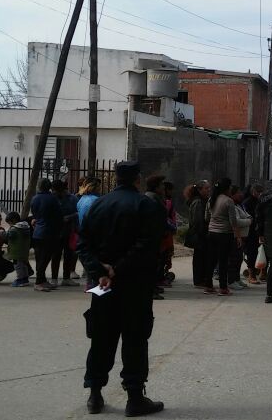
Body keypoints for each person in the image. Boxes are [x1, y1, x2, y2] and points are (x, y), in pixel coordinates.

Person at [77, 160, 165, 417]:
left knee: (101, 338)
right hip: (134, 284)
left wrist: (100, 270)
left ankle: (95, 394)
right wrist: (119, 268)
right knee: (135, 339)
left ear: (115, 179)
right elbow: (147, 245)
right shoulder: (145, 205)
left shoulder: (98, 205)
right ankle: (134, 396)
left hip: (103, 286)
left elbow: (83, 243)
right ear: (137, 178)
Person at [205, 178, 242, 296]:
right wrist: (238, 237)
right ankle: (223, 288)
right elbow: (233, 221)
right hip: (224, 234)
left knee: (211, 260)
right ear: (227, 188)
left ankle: (208, 286)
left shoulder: (211, 199)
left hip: (211, 233)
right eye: (230, 187)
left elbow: (206, 217)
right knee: (223, 262)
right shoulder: (228, 201)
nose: (231, 189)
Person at [144, 175, 175, 300]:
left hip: (158, 237)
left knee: (157, 263)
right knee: (152, 265)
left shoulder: (155, 198)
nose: (163, 187)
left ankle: (154, 285)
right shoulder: (151, 199)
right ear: (156, 187)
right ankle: (150, 290)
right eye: (161, 185)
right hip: (153, 237)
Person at [30, 178, 63, 292]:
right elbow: (59, 216)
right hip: (49, 232)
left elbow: (34, 213)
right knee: (45, 258)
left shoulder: (34, 198)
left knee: (40, 258)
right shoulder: (52, 199)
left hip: (37, 232)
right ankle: (39, 282)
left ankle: (42, 280)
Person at [183, 181, 212, 290]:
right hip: (200, 235)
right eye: (206, 188)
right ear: (199, 190)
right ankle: (199, 280)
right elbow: (198, 221)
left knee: (202, 258)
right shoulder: (198, 202)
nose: (208, 190)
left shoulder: (202, 201)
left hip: (202, 234)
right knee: (200, 258)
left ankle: (201, 279)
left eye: (209, 188)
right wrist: (204, 233)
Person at [52, 180, 80, 287]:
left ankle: (66, 277)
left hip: (69, 231)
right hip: (56, 232)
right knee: (56, 255)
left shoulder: (72, 199)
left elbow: (78, 212)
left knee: (69, 255)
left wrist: (69, 217)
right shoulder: (52, 198)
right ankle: (54, 278)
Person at [228, 185, 253, 290]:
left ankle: (237, 279)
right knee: (234, 259)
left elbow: (248, 215)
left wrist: (249, 219)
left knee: (239, 259)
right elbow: (236, 222)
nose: (241, 194)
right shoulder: (232, 206)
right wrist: (248, 221)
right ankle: (231, 281)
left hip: (242, 236)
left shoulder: (239, 205)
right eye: (238, 193)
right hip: (235, 236)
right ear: (233, 194)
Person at [241, 184, 265, 285]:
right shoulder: (247, 203)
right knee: (251, 253)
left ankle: (262, 272)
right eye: (258, 192)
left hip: (259, 231)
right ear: (253, 192)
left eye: (261, 192)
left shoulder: (261, 202)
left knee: (261, 253)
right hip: (250, 232)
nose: (260, 194)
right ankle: (252, 275)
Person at [5, 211, 32, 287]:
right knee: (24, 265)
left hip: (16, 251)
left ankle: (20, 279)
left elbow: (8, 236)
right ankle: (25, 279)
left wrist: (1, 233)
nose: (9, 225)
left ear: (13, 220)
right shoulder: (26, 227)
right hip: (24, 251)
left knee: (18, 266)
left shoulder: (14, 229)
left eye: (9, 223)